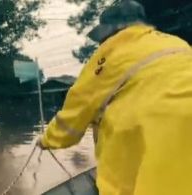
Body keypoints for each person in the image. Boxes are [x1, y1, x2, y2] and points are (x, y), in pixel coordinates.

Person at [38, 1, 192, 195]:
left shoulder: (111, 51)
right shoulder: (178, 43)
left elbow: (76, 110)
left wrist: (47, 140)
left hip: (151, 139)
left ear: (113, 30)